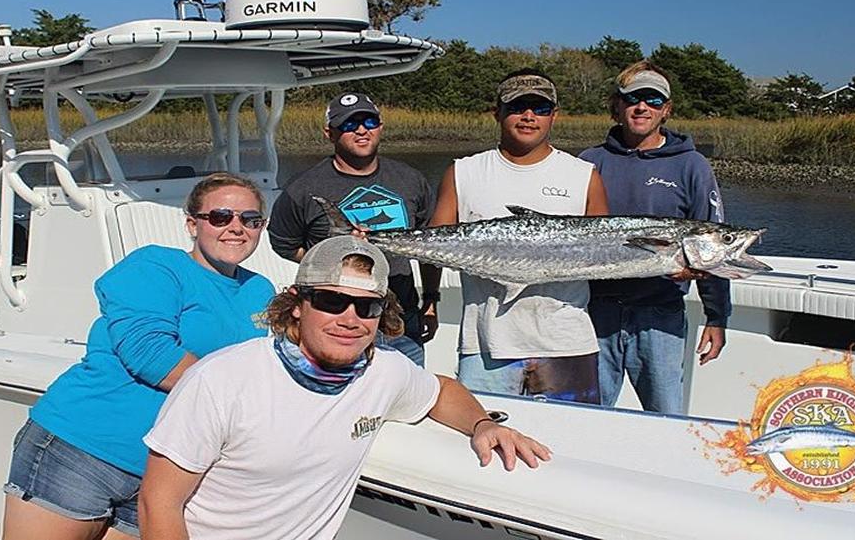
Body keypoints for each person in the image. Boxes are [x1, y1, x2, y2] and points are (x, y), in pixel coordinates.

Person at [139, 235, 550, 540]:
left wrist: (483, 425)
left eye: (367, 306)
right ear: (297, 303)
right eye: (332, 302)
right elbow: (158, 502)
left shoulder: (384, 372)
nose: (350, 319)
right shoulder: (221, 380)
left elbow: (440, 390)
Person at [2, 173, 275, 540]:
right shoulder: (156, 266)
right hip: (82, 451)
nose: (237, 228)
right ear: (193, 224)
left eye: (250, 219)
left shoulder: (260, 290)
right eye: (221, 217)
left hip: (164, 476)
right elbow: (151, 355)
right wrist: (240, 405)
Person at [428, 69, 609, 403]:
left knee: (570, 442)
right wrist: (430, 300)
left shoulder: (584, 176)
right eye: (518, 106)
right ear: (497, 112)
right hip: (486, 345)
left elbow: (605, 254)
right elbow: (433, 245)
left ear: (554, 115)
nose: (528, 116)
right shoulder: (463, 172)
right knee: (483, 441)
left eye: (539, 108)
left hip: (566, 343)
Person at [579, 60, 732, 414]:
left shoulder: (691, 165)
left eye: (652, 99)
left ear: (666, 110)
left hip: (660, 313)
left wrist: (717, 316)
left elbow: (713, 243)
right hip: (595, 314)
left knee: (666, 416)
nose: (641, 106)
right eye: (632, 98)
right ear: (616, 106)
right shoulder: (589, 161)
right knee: (586, 416)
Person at [268, 92, 440, 365]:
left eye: (369, 121)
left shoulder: (410, 179)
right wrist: (335, 256)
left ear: (380, 126)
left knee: (405, 399)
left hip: (400, 318)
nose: (361, 130)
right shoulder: (302, 188)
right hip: (336, 320)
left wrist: (431, 299)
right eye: (349, 124)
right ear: (330, 133)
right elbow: (285, 244)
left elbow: (430, 250)